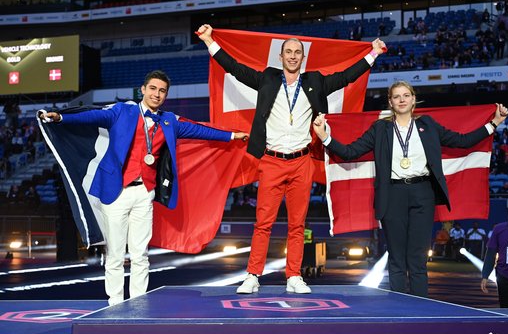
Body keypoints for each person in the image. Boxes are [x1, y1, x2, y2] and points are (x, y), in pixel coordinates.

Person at [197, 24, 387, 294]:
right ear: (281, 56)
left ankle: (294, 276)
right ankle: (252, 275)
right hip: (272, 161)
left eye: (298, 52)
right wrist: (209, 41)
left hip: (301, 161)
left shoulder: (315, 81)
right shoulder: (268, 78)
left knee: (298, 224)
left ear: (303, 57)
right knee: (263, 223)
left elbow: (346, 77)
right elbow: (235, 69)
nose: (293, 56)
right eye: (289, 52)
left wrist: (373, 54)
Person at [37, 70, 249, 306]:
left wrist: (231, 135)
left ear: (165, 95)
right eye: (153, 89)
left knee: (140, 254)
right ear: (143, 90)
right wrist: (61, 118)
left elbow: (200, 130)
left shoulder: (169, 121)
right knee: (116, 254)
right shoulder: (122, 111)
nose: (157, 94)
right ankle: (115, 302)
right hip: (115, 193)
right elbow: (91, 116)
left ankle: (138, 303)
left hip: (144, 193)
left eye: (162, 91)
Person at [312, 80, 508, 297]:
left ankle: (420, 310)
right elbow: (350, 152)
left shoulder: (428, 125)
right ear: (390, 102)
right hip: (393, 194)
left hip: (422, 193)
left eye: (406, 95)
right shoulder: (380, 128)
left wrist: (495, 123)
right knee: (396, 257)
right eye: (397, 96)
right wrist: (324, 136)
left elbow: (463, 141)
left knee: (417, 258)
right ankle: (398, 310)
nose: (402, 100)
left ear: (414, 99)